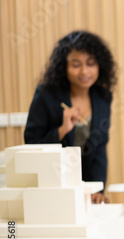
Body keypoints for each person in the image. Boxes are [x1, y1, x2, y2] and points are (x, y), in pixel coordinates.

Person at [24, 30, 117, 204]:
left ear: (100, 65)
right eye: (76, 65)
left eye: (91, 63)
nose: (84, 71)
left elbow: (100, 148)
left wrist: (97, 189)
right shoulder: (46, 95)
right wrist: (62, 130)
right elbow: (31, 142)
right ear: (63, 67)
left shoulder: (103, 97)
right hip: (51, 186)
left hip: (85, 190)